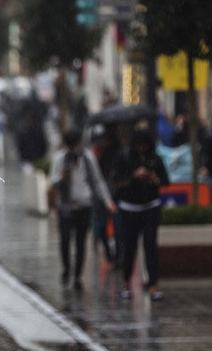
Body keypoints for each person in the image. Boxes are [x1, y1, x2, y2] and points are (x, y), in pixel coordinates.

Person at [49, 130, 116, 291]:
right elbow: (52, 181)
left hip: (84, 206)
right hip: (66, 206)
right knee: (65, 240)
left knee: (81, 242)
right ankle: (66, 268)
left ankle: (78, 275)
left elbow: (97, 180)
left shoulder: (87, 158)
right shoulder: (60, 158)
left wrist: (107, 201)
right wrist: (61, 177)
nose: (73, 149)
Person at [113, 129, 170, 301]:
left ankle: (153, 284)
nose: (142, 148)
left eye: (145, 145)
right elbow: (115, 181)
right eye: (139, 145)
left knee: (150, 246)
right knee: (129, 247)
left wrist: (153, 179)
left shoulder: (155, 159)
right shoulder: (124, 157)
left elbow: (166, 181)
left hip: (150, 207)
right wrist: (134, 176)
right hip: (129, 209)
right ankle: (126, 283)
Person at [92, 125, 123, 265]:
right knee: (102, 225)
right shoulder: (99, 150)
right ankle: (109, 253)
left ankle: (117, 255)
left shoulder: (120, 150)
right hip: (102, 193)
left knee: (117, 226)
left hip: (115, 192)